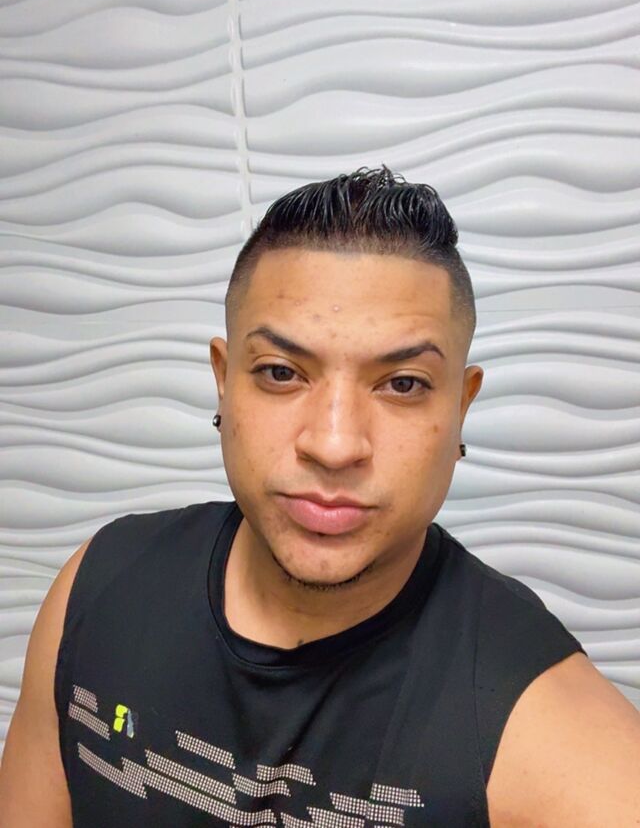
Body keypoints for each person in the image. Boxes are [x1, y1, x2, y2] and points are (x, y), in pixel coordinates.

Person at [0, 167, 638, 827]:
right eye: (281, 372)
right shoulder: (98, 587)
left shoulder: (546, 729)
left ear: (460, 409)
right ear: (224, 382)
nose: (334, 445)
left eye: (403, 384)